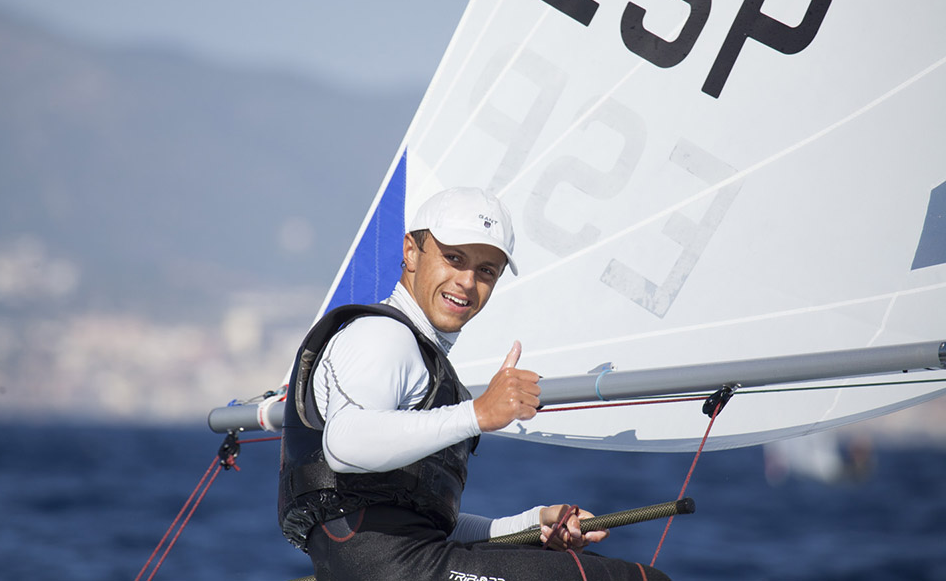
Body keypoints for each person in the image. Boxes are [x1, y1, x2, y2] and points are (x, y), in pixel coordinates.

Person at [279, 187, 670, 580]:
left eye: (486, 270)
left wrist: (536, 524)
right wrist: (478, 413)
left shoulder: (419, 355)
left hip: (394, 563)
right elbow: (346, 445)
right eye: (454, 258)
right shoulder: (382, 336)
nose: (467, 282)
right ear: (412, 251)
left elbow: (428, 528)